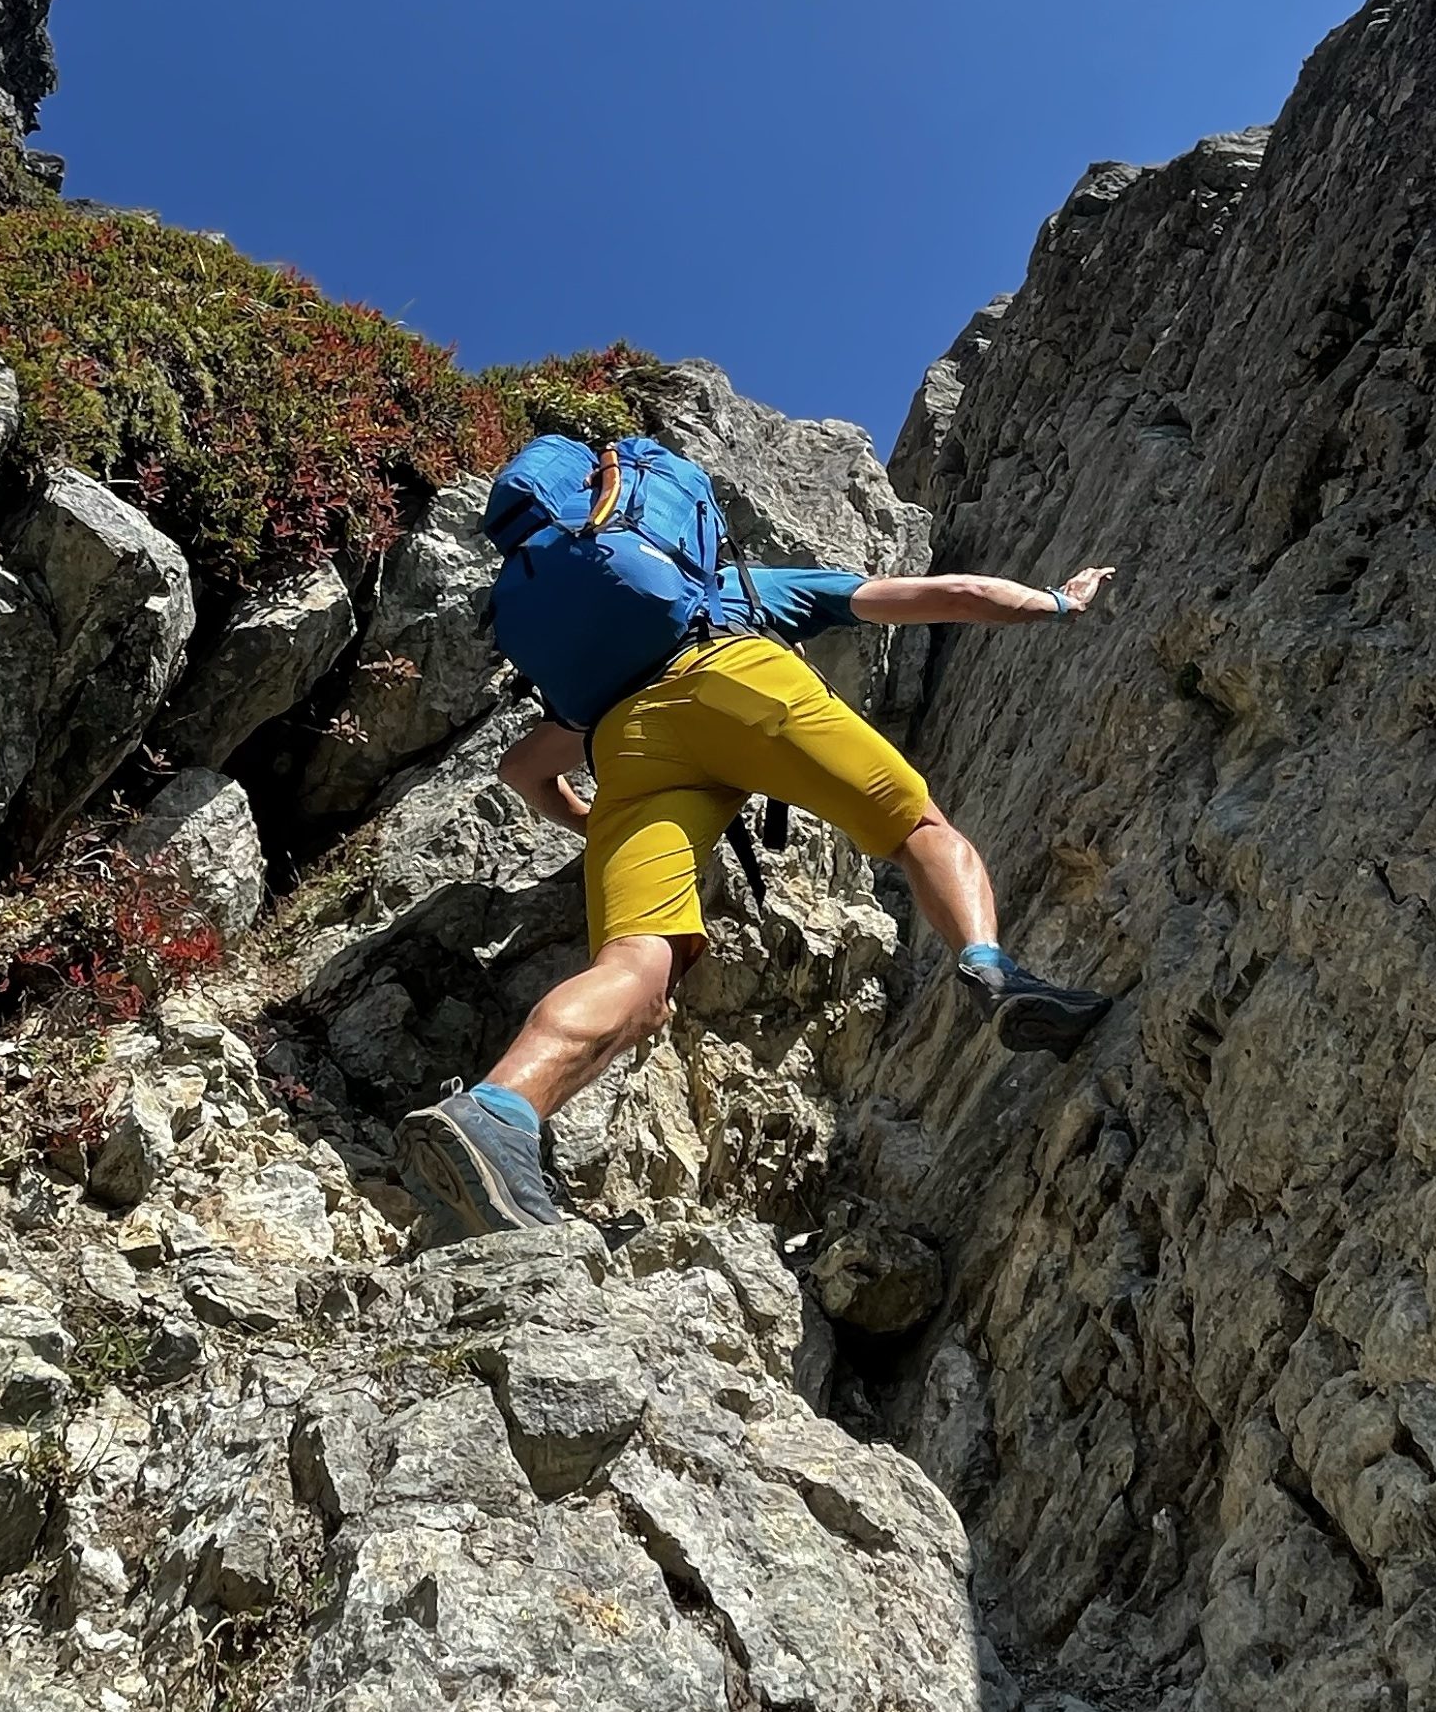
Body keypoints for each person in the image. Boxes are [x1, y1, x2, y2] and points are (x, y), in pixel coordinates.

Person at [391, 512, 1121, 1242]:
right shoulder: (742, 591)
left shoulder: (598, 682)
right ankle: (987, 965)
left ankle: (500, 1108)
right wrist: (1059, 600)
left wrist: (597, 823)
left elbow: (521, 771)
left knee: (637, 968)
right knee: (919, 830)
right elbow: (954, 593)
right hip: (741, 683)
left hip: (627, 746)